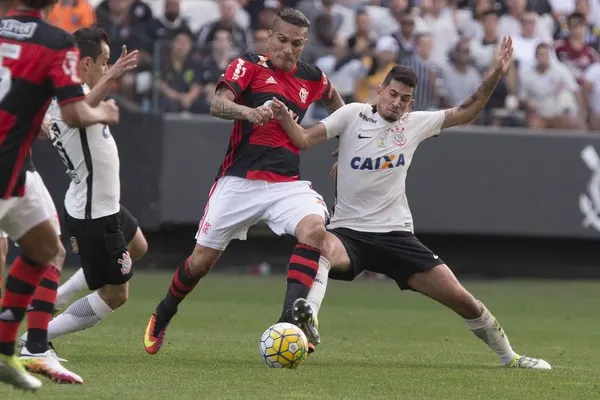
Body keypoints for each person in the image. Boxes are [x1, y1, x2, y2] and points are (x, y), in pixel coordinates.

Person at [270, 37, 551, 369]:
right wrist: (286, 118)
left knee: (463, 300)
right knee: (320, 247)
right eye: (392, 94)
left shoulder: (416, 123)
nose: (397, 103)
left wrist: (494, 75)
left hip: (396, 236)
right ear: (380, 91)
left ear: (410, 102)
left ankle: (511, 357)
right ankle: (309, 320)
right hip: (349, 232)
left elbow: (469, 109)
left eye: (405, 99)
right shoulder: (352, 115)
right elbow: (303, 139)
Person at [143, 7, 345, 355]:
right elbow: (216, 103)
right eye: (282, 40)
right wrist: (247, 112)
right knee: (199, 263)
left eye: (297, 44)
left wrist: (343, 145)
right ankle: (163, 312)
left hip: (286, 184)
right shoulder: (249, 65)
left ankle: (289, 322)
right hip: (240, 180)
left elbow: (336, 104)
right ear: (269, 37)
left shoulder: (313, 77)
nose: (288, 49)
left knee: (315, 231)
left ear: (304, 44)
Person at [16, 27, 149, 381]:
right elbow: (80, 110)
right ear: (86, 63)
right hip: (94, 212)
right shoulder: (72, 100)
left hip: (105, 203)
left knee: (139, 245)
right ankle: (38, 337)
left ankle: (53, 297)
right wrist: (112, 77)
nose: (108, 67)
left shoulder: (77, 94)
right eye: (103, 62)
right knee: (116, 295)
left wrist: (106, 80)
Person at [0, 0, 119, 391]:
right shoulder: (55, 42)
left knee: (48, 249)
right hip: (7, 164)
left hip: (19, 167)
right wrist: (106, 113)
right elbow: (74, 114)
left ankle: (23, 349)